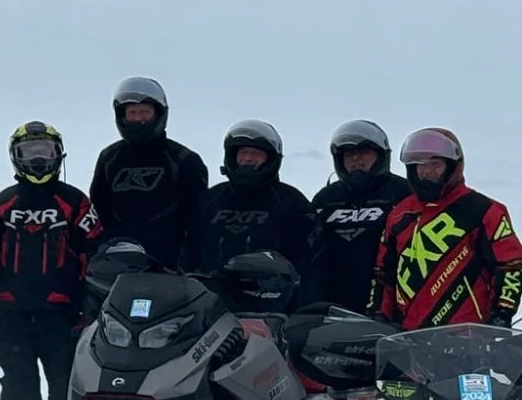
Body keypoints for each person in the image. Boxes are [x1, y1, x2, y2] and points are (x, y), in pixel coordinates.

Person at [0, 121, 101, 400]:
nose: (38, 159)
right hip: (11, 313)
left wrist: (92, 301)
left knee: (65, 382)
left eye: (45, 151)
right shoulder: (3, 203)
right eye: (29, 152)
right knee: (17, 383)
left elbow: (94, 253)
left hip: (63, 314)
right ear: (15, 157)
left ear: (58, 155)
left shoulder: (75, 203)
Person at [372, 127, 522, 330]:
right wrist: (378, 317)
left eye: (435, 164)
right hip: (407, 339)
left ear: (452, 166)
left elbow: (510, 268)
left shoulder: (484, 210)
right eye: (419, 165)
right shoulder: (399, 215)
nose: (426, 171)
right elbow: (384, 275)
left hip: (471, 336)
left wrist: (501, 316)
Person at [88, 76, 208, 269]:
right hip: (117, 266)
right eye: (132, 113)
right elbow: (97, 211)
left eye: (145, 112)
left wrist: (186, 264)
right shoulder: (109, 158)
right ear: (121, 116)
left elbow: (198, 219)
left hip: (170, 268)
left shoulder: (184, 159)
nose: (138, 119)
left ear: (159, 114)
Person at [301, 121, 410, 313]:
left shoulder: (403, 193)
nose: (356, 159)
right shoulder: (326, 198)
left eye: (363, 152)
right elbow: (308, 251)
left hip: (389, 303)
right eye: (349, 154)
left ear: (380, 155)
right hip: (331, 304)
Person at [182, 120, 314, 273]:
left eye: (256, 153)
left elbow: (308, 259)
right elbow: (188, 251)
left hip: (271, 293)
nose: (248, 158)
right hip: (209, 292)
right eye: (243, 152)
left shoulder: (291, 201)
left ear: (271, 158)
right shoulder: (209, 200)